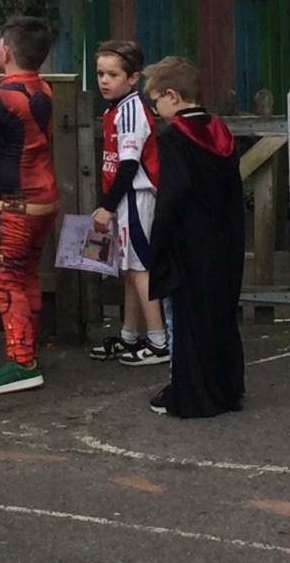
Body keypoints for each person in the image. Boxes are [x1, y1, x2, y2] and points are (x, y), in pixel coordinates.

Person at [141, 56, 245, 419]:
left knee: (187, 321)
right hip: (225, 240)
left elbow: (172, 195)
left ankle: (192, 394)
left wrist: (158, 244)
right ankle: (226, 389)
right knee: (220, 315)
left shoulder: (174, 140)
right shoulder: (222, 132)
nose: (156, 110)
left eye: (156, 101)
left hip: (189, 243)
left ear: (172, 96)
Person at [0, 16, 59, 394]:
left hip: (12, 205)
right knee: (27, 274)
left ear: (5, 52)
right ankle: (28, 350)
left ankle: (21, 361)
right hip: (44, 200)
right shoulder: (43, 88)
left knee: (6, 279)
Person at [87, 38, 167, 366]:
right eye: (100, 74)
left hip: (136, 197)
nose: (104, 81)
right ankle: (129, 335)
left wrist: (108, 205)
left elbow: (130, 165)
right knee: (130, 269)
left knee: (140, 268)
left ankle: (159, 341)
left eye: (112, 74)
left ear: (133, 78)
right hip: (126, 198)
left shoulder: (131, 110)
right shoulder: (116, 109)